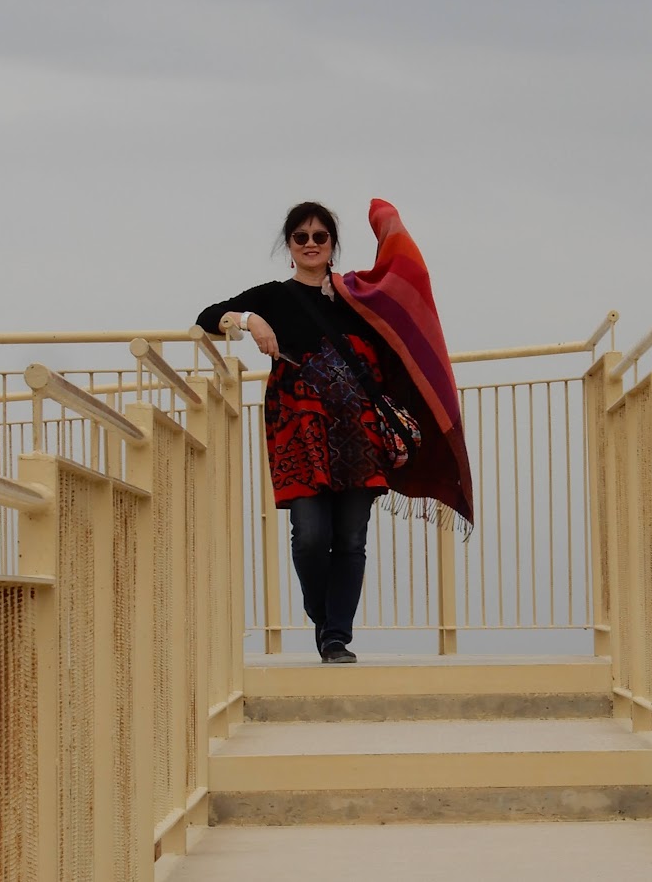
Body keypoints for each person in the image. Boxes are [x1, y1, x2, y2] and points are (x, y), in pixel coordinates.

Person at [196, 199, 473, 664]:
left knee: (350, 538)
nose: (311, 244)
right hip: (299, 430)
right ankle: (323, 616)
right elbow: (207, 317)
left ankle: (336, 637)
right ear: (289, 246)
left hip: (359, 431)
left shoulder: (357, 296)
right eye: (301, 237)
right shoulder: (273, 296)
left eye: (320, 236)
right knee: (308, 535)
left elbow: (409, 294)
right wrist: (249, 320)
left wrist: (389, 227)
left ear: (332, 244)